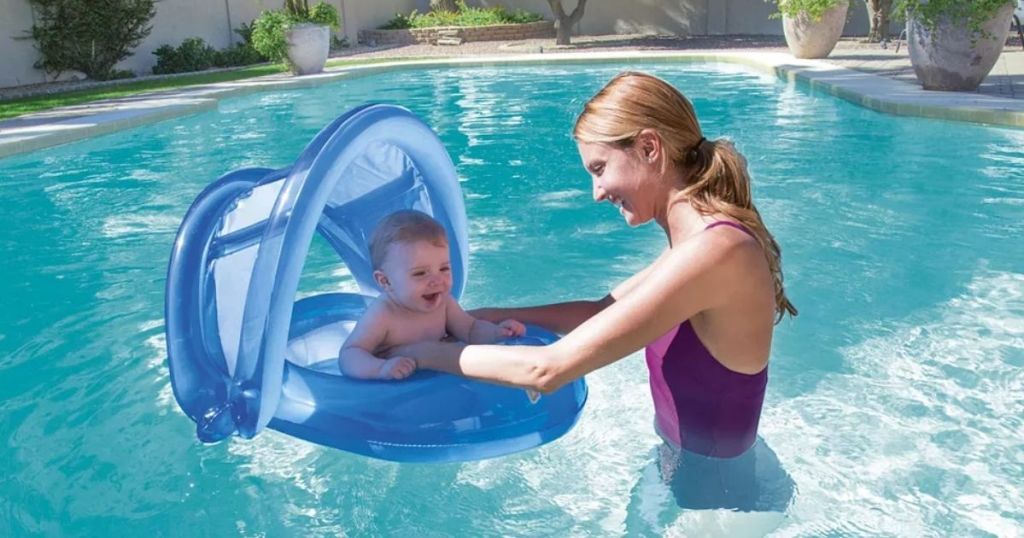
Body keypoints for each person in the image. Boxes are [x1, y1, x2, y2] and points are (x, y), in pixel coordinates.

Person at [386, 71, 798, 462]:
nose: (597, 193)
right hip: (687, 465)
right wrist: (463, 319)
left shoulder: (717, 251)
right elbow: (600, 313)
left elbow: (544, 370)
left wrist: (413, 352)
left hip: (720, 503)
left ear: (649, 149)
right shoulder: (699, 245)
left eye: (599, 170)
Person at [339, 209, 526, 380]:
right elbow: (350, 353)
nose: (437, 281)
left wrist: (497, 333)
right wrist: (380, 368)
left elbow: (470, 330)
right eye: (420, 273)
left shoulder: (445, 304)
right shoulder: (383, 314)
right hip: (393, 392)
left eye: (444, 268)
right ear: (385, 281)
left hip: (432, 383)